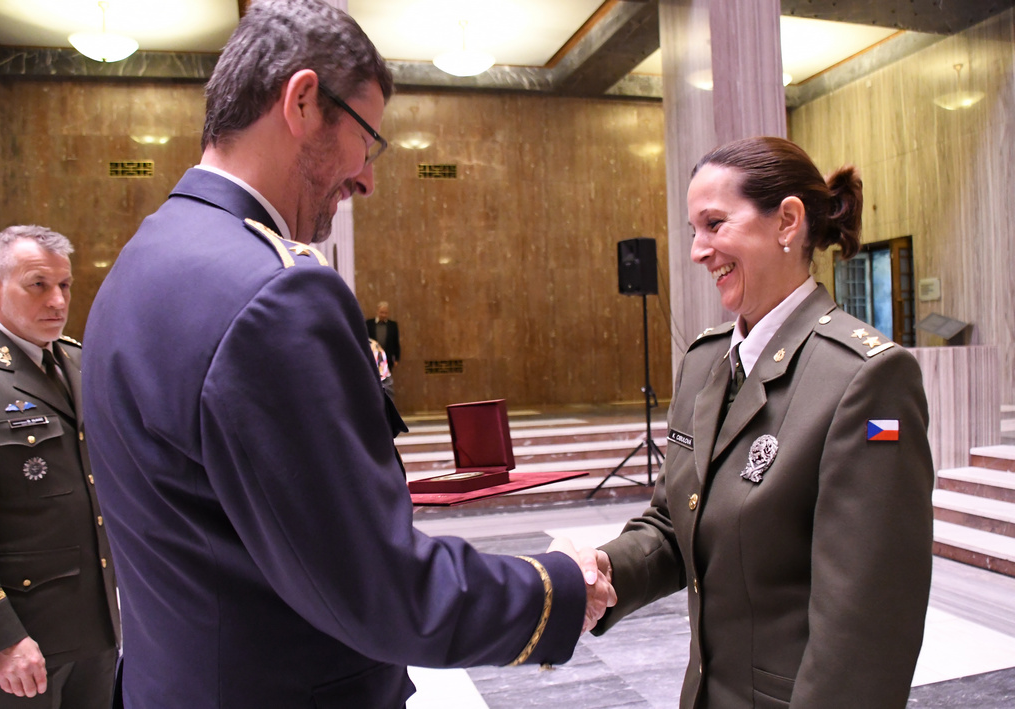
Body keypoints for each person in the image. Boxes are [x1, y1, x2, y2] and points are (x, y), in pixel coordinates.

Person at [81, 1, 615, 707]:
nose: (366, 178)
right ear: (303, 101)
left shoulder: (143, 258)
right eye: (368, 140)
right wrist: (559, 583)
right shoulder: (274, 293)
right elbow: (382, 587)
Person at [583, 136, 934, 708]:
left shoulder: (864, 378)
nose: (698, 251)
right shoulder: (704, 362)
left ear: (787, 221)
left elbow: (867, 624)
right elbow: (675, 524)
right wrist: (601, 573)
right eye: (693, 230)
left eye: (714, 224)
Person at [0, 225, 119, 707]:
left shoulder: (77, 362)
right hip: (20, 635)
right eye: (38, 285)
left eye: (64, 285)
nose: (57, 301)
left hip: (96, 624)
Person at [366, 301, 400, 368]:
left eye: (385, 313)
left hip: (387, 358)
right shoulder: (369, 324)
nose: (383, 315)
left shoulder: (393, 325)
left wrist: (396, 358)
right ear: (377, 311)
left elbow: (396, 343)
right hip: (373, 358)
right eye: (381, 312)